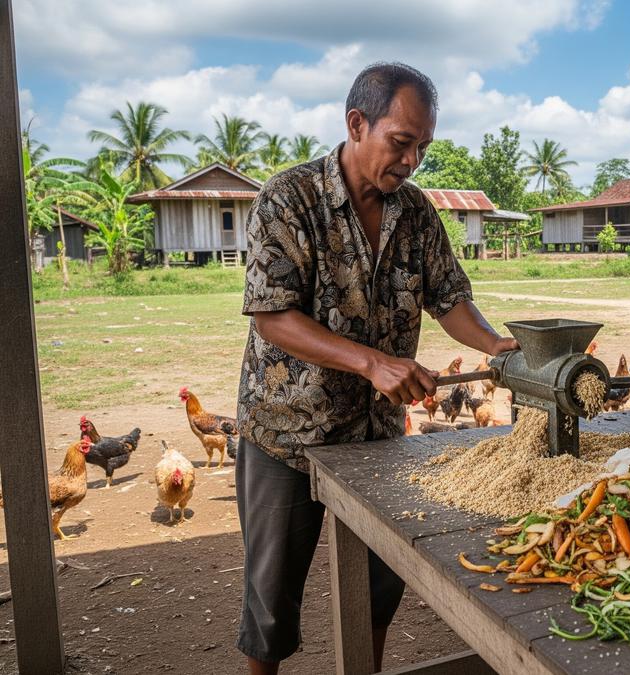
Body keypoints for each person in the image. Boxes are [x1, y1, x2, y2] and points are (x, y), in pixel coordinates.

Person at [235, 62, 518, 674]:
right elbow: (272, 316)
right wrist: (373, 363)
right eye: (401, 142)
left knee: (377, 589)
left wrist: (495, 345)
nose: (412, 160)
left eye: (423, 147)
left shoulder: (415, 212)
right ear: (357, 123)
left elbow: (450, 299)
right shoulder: (289, 198)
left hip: (376, 438)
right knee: (270, 602)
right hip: (288, 435)